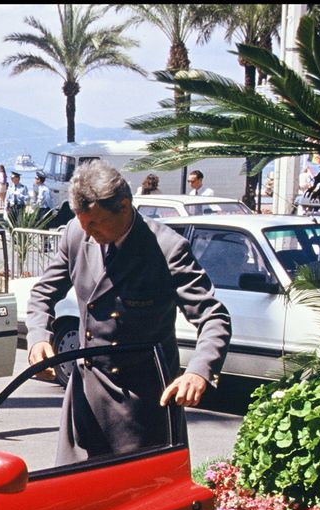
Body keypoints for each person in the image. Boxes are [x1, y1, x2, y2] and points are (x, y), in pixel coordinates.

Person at [26, 161, 232, 465]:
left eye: (95, 224)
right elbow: (43, 294)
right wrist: (38, 337)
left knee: (138, 501)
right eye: (83, 225)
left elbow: (213, 318)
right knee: (75, 498)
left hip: (140, 405)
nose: (89, 233)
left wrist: (198, 371)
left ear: (124, 206)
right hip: (85, 398)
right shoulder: (75, 233)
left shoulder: (166, 249)